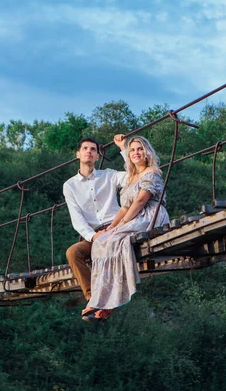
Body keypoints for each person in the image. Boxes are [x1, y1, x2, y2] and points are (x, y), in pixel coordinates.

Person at [82, 136, 169, 322]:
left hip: (150, 215)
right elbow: (123, 207)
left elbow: (141, 200)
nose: (136, 153)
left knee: (115, 240)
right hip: (133, 215)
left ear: (147, 152)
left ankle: (112, 302)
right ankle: (98, 299)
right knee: (100, 242)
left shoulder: (152, 172)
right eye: (133, 150)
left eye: (140, 149)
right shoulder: (130, 177)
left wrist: (121, 226)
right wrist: (111, 226)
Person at [63, 136, 127, 313]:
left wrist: (124, 149)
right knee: (73, 252)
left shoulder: (109, 175)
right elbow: (76, 218)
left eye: (93, 150)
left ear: (97, 156)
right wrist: (92, 236)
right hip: (95, 234)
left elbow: (132, 177)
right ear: (78, 154)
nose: (89, 152)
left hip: (116, 227)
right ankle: (93, 298)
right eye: (85, 149)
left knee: (110, 249)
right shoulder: (69, 186)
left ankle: (107, 304)